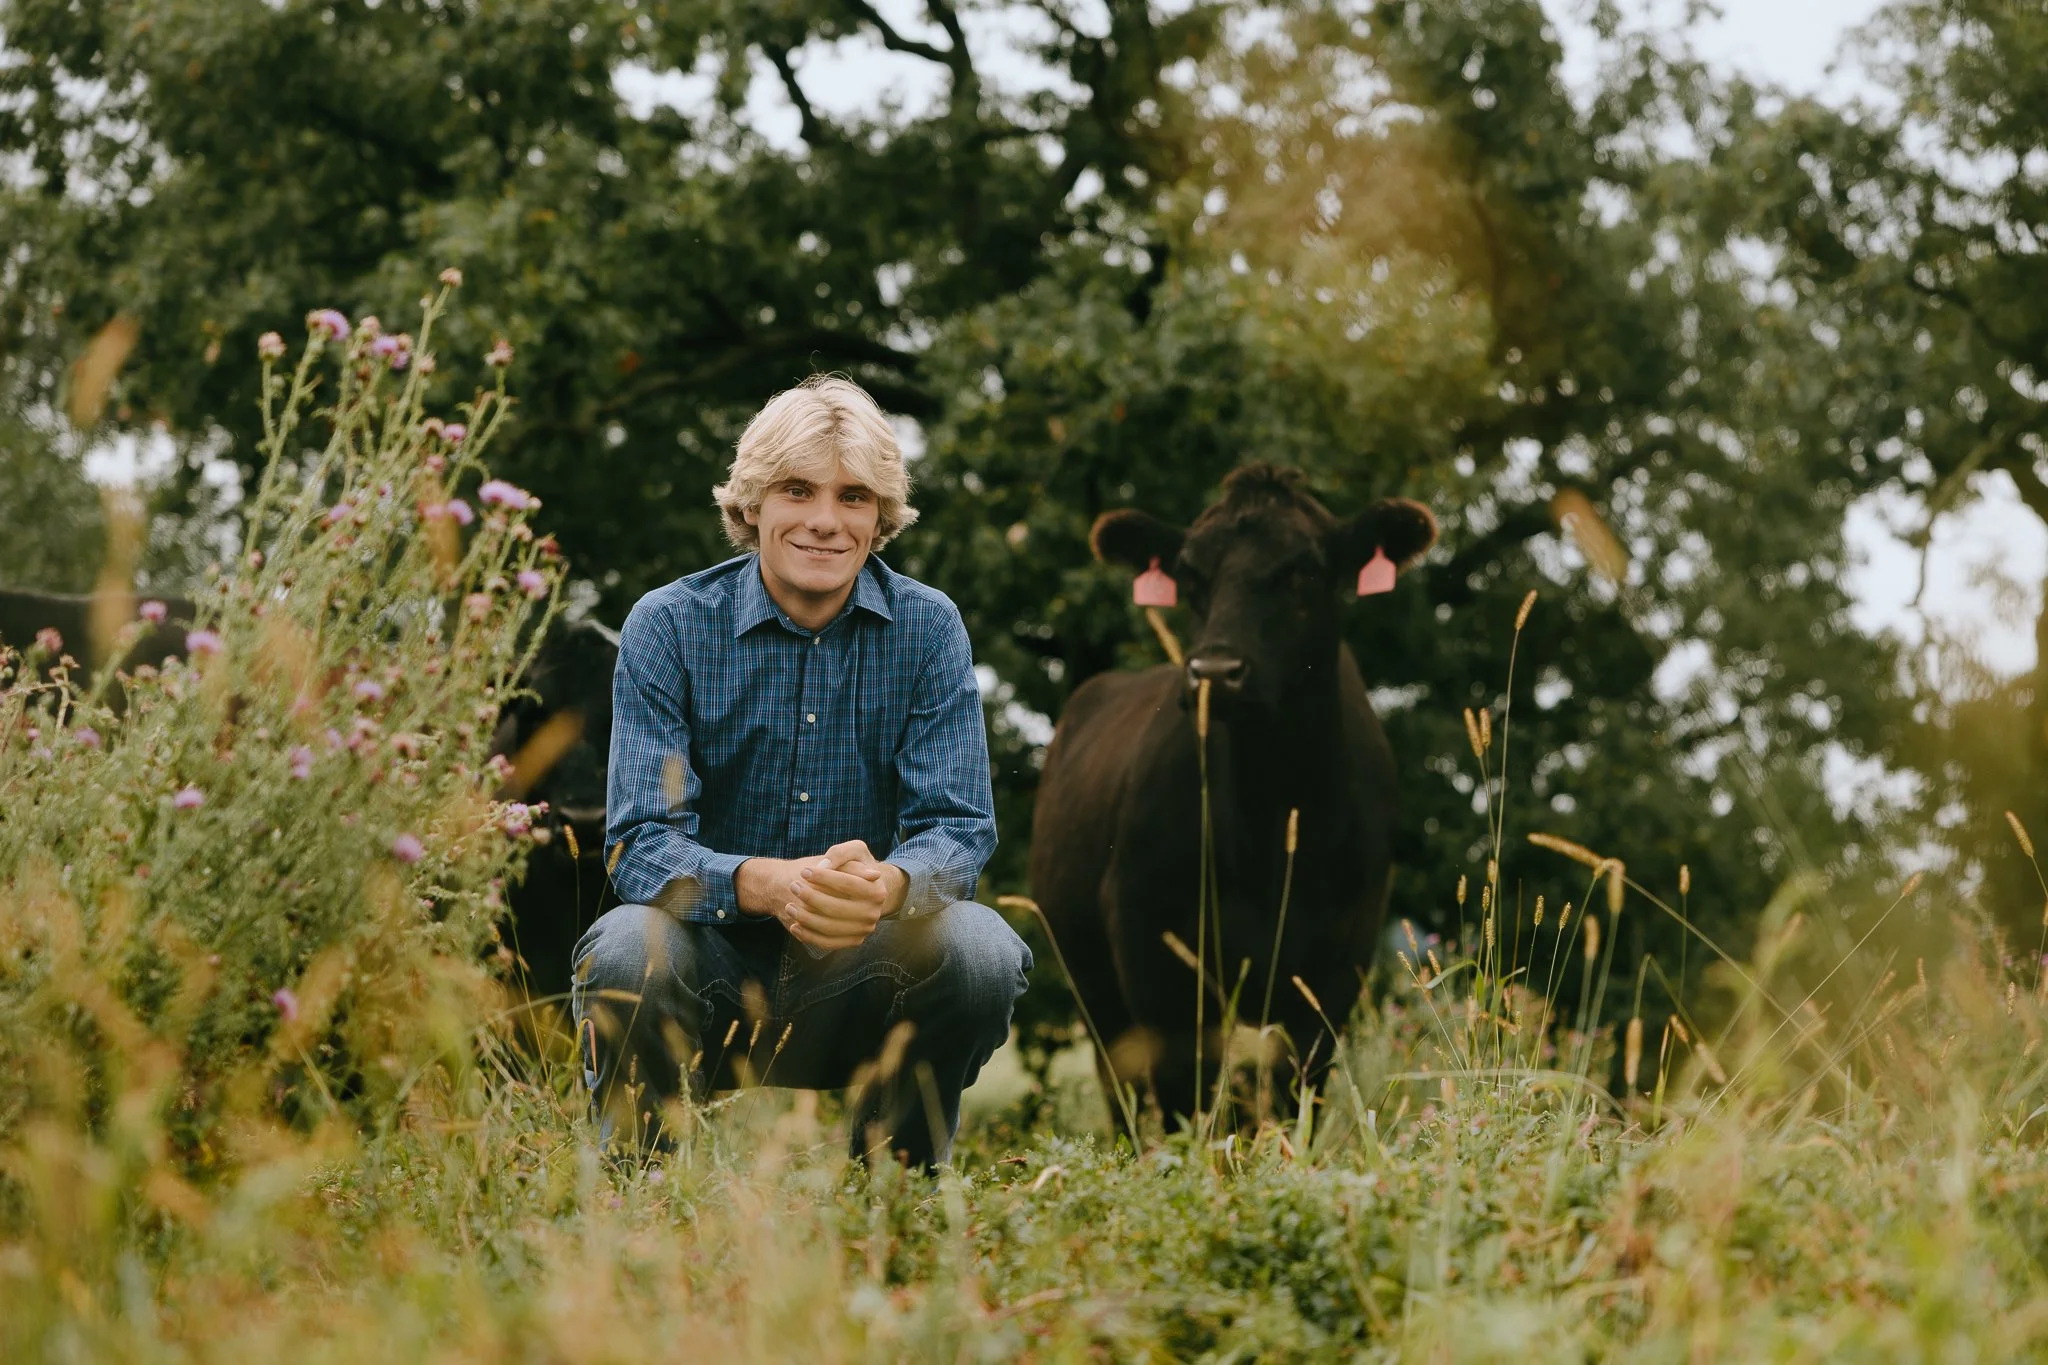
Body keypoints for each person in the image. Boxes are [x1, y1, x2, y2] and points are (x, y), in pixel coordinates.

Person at [570, 375, 1031, 1169]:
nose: (825, 519)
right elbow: (638, 844)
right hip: (706, 969)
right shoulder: (667, 624)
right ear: (752, 502)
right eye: (797, 489)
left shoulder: (929, 628)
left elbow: (958, 829)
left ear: (881, 516)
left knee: (983, 948)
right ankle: (637, 1187)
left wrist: (887, 884)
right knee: (622, 948)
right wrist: (765, 883)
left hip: (864, 972)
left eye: (853, 496)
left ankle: (895, 1184)